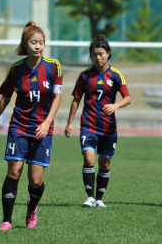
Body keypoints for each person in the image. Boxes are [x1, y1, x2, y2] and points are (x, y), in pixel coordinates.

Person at [0, 21, 62, 230]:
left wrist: (46, 123)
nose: (37, 46)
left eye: (41, 42)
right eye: (33, 42)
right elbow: (5, 98)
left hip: (42, 129)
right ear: (25, 44)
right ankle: (6, 220)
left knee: (35, 181)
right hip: (19, 126)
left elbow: (57, 98)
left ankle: (32, 207)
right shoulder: (16, 69)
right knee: (14, 171)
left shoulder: (54, 66)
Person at [65, 35, 131, 208]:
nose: (98, 57)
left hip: (108, 128)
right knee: (88, 157)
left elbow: (128, 98)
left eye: (101, 54)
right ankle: (90, 196)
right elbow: (76, 100)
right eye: (94, 54)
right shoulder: (85, 76)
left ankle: (99, 198)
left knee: (105, 162)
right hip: (89, 125)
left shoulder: (116, 75)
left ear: (108, 53)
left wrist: (116, 105)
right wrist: (69, 123)